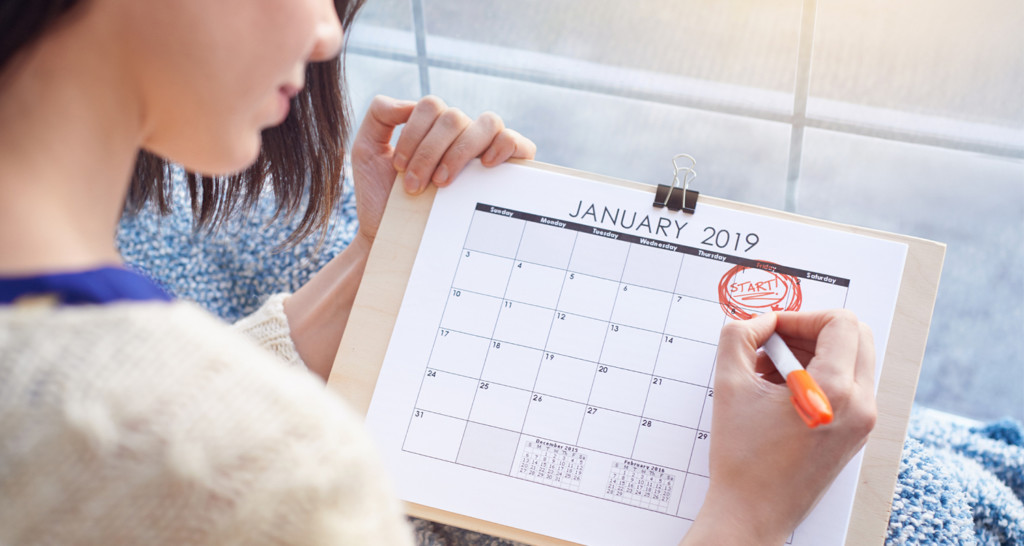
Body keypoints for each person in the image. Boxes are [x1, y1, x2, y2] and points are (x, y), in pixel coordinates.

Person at [0, 1, 877, 545]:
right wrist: (749, 517)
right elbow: (164, 467)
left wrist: (379, 274)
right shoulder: (279, 476)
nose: (324, 31)